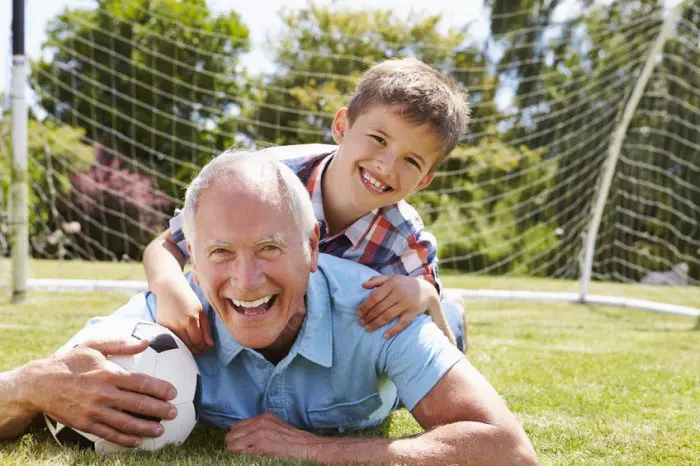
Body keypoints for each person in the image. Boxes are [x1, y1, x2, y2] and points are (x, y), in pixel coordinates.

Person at [0, 154, 536, 465]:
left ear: (310, 245)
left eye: (269, 249)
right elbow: (31, 390)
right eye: (221, 253)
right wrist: (30, 385)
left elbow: (508, 451)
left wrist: (315, 449)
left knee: (447, 328)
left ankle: (453, 310)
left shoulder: (379, 309)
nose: (246, 280)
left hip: (412, 326)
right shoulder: (159, 323)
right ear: (192, 259)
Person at [144, 58, 469, 354]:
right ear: (342, 127)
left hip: (328, 335)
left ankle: (457, 311)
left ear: (424, 181)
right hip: (270, 317)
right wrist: (170, 288)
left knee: (432, 308)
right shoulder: (266, 181)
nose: (386, 165)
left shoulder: (404, 237)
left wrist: (425, 295)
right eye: (379, 139)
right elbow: (166, 244)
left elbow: (435, 341)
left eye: (411, 160)